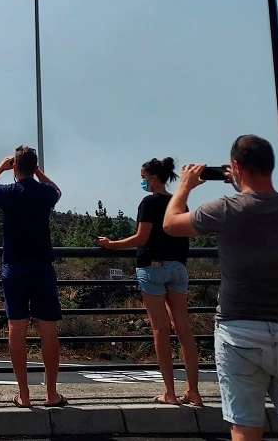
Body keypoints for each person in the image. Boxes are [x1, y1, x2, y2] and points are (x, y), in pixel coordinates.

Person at [163, 135, 278, 441]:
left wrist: (184, 185)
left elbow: (171, 224)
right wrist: (239, 182)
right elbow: (257, 201)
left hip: (240, 333)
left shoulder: (224, 209)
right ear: (270, 166)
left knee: (246, 430)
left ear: (236, 166)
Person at [96, 157, 202, 406]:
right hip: (178, 267)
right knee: (183, 329)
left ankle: (170, 393)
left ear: (153, 178)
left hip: (152, 268)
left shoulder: (149, 202)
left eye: (143, 177)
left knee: (160, 330)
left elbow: (142, 237)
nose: (142, 181)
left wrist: (112, 245)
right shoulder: (179, 203)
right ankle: (193, 392)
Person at [0, 146, 66, 409]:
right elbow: (57, 191)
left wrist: (0, 168)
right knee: (48, 329)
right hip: (42, 267)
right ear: (34, 167)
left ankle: (24, 395)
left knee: (17, 328)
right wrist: (39, 173)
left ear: (15, 167)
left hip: (14, 267)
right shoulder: (45, 192)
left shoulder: (7, 192)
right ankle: (51, 393)